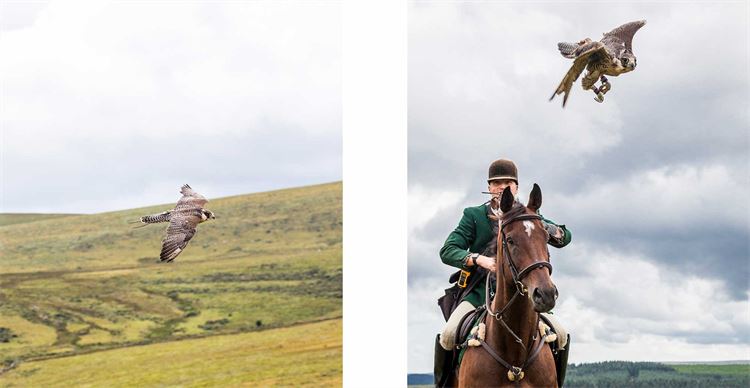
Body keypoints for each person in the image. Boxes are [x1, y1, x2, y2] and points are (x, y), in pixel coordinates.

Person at [434, 158, 571, 385]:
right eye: (496, 182)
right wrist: (478, 259)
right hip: (479, 292)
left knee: (561, 334)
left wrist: (541, 226)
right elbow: (448, 250)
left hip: (523, 293)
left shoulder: (530, 215)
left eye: (508, 182)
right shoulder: (473, 215)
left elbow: (565, 237)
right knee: (448, 335)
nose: (502, 186)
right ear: (489, 187)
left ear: (516, 186)